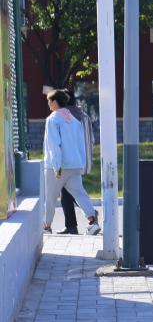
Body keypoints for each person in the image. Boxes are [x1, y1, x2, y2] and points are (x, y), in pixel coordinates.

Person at [42, 89, 100, 236]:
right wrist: (80, 162)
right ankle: (93, 221)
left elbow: (54, 145)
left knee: (50, 197)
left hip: (58, 167)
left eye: (49, 101)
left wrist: (56, 166)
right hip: (75, 164)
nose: (48, 103)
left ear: (55, 102)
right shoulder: (74, 120)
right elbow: (81, 144)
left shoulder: (52, 120)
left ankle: (46, 226)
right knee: (80, 194)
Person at [55, 91, 94, 235]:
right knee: (73, 192)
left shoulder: (64, 117)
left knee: (68, 193)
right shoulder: (84, 115)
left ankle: (82, 221)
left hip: (68, 162)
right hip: (82, 160)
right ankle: (88, 218)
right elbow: (91, 139)